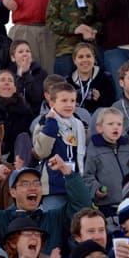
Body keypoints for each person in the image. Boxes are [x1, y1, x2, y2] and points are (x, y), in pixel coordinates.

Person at [0, 157, 90, 255]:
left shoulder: (55, 219)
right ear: (13, 192)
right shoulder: (1, 220)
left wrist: (66, 171)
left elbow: (82, 206)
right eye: (25, 184)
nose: (32, 187)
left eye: (37, 183)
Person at [32, 82, 86, 210]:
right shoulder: (44, 122)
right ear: (52, 104)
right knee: (54, 224)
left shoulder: (78, 125)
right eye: (64, 100)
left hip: (74, 184)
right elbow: (41, 152)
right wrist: (51, 125)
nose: (69, 105)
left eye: (72, 100)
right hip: (54, 186)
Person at [47, 0, 102, 78]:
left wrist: (92, 30)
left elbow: (101, 20)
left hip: (89, 51)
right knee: (63, 89)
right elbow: (51, 21)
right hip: (66, 50)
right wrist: (75, 29)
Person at [83, 107, 129, 218]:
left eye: (119, 124)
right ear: (99, 128)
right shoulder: (94, 149)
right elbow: (88, 175)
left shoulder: (127, 147)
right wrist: (96, 189)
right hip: (107, 205)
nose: (115, 127)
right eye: (110, 124)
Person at [66, 42, 116, 114]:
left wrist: (100, 99)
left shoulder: (105, 78)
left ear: (94, 59)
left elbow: (111, 105)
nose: (85, 60)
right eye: (80, 57)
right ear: (74, 60)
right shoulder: (68, 82)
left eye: (88, 56)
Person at [6, 39, 47, 115]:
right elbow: (10, 97)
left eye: (28, 51)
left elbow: (37, 97)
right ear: (13, 58)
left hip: (35, 114)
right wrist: (19, 76)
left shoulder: (40, 73)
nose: (25, 54)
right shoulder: (8, 74)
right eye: (20, 52)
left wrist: (26, 74)